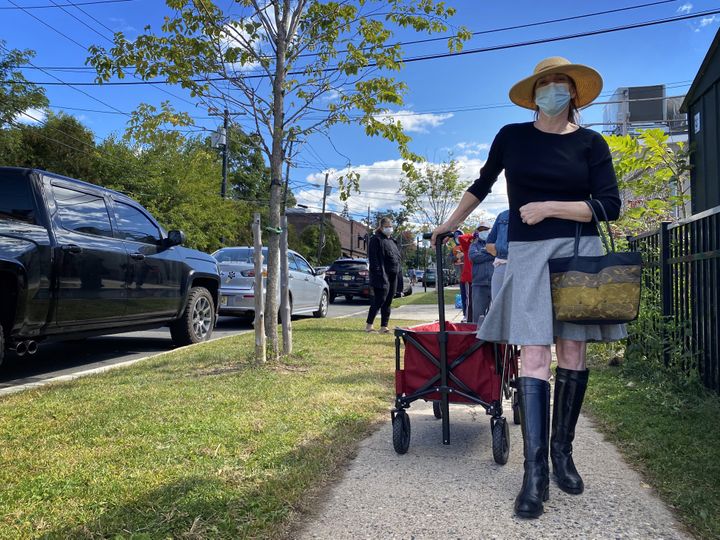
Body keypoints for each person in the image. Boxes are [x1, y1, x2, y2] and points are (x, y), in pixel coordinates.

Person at [431, 57, 626, 519]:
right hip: (528, 255)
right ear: (534, 91)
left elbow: (610, 206)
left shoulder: (591, 143)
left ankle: (562, 454)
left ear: (574, 94)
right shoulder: (511, 137)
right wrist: (448, 224)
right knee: (534, 354)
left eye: (561, 84)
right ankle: (533, 472)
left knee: (573, 354)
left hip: (579, 255)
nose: (553, 89)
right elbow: (481, 184)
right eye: (546, 83)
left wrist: (550, 207)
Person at [366, 217, 401, 334]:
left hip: (393, 275)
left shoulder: (393, 241)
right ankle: (369, 326)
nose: (389, 228)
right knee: (379, 300)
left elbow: (397, 258)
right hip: (381, 275)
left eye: (390, 226)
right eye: (386, 226)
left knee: (388, 301)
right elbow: (374, 259)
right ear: (381, 227)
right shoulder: (376, 239)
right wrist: (378, 273)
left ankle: (384, 326)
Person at [468, 222, 494, 322]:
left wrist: (482, 252)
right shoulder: (473, 245)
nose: (483, 231)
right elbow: (474, 257)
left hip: (494, 283)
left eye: (486, 229)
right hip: (478, 284)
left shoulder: (495, 243)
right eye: (481, 229)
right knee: (478, 316)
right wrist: (490, 252)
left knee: (496, 316)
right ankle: (476, 336)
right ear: (477, 232)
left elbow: (500, 253)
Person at [485, 209, 510, 300]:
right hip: (502, 265)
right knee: (498, 308)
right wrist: (503, 249)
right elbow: (488, 245)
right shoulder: (503, 216)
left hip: (529, 266)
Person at [456, 231, 475, 322]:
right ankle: (467, 317)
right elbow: (460, 238)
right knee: (469, 300)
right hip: (469, 278)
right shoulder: (468, 247)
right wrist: (472, 235)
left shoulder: (484, 246)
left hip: (481, 277)